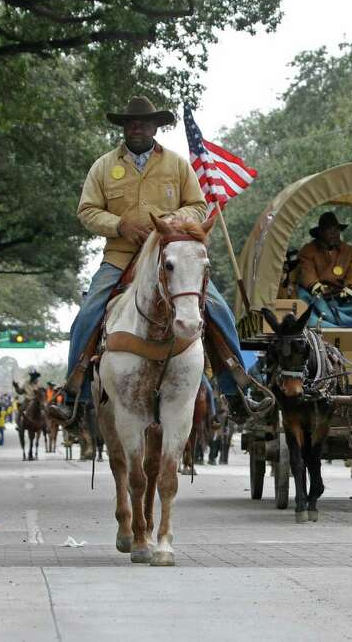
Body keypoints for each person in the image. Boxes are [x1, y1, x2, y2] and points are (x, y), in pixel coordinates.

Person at [52, 96, 258, 425]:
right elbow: (87, 211)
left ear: (155, 127)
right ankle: (74, 395)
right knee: (88, 314)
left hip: (170, 256)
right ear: (124, 127)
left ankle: (238, 390)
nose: (137, 127)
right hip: (121, 257)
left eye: (144, 123)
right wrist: (120, 225)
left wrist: (170, 222)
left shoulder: (177, 164)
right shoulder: (103, 166)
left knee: (218, 310)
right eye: (131, 123)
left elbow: (198, 206)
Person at [297, 212, 352, 301]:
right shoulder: (308, 250)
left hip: (343, 294)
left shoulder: (350, 252)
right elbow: (305, 270)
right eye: (329, 229)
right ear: (321, 232)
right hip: (316, 294)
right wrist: (314, 285)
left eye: (336, 229)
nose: (333, 233)